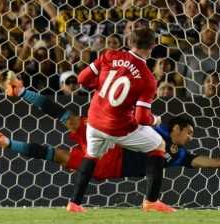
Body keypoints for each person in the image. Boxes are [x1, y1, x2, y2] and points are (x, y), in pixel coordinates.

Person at [0, 74, 220, 195]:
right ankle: (20, 92)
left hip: (113, 163)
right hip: (111, 139)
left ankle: (7, 142)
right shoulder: (157, 130)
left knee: (59, 156)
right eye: (188, 133)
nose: (190, 138)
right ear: (176, 129)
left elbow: (204, 162)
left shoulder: (179, 155)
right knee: (72, 121)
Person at [67, 28, 172, 213]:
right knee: (159, 146)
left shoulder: (109, 55)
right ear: (153, 47)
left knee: (91, 156)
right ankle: (151, 202)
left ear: (130, 41)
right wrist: (155, 120)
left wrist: (98, 87)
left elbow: (82, 79)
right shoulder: (148, 78)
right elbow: (141, 118)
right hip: (118, 127)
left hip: (94, 121)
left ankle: (74, 204)